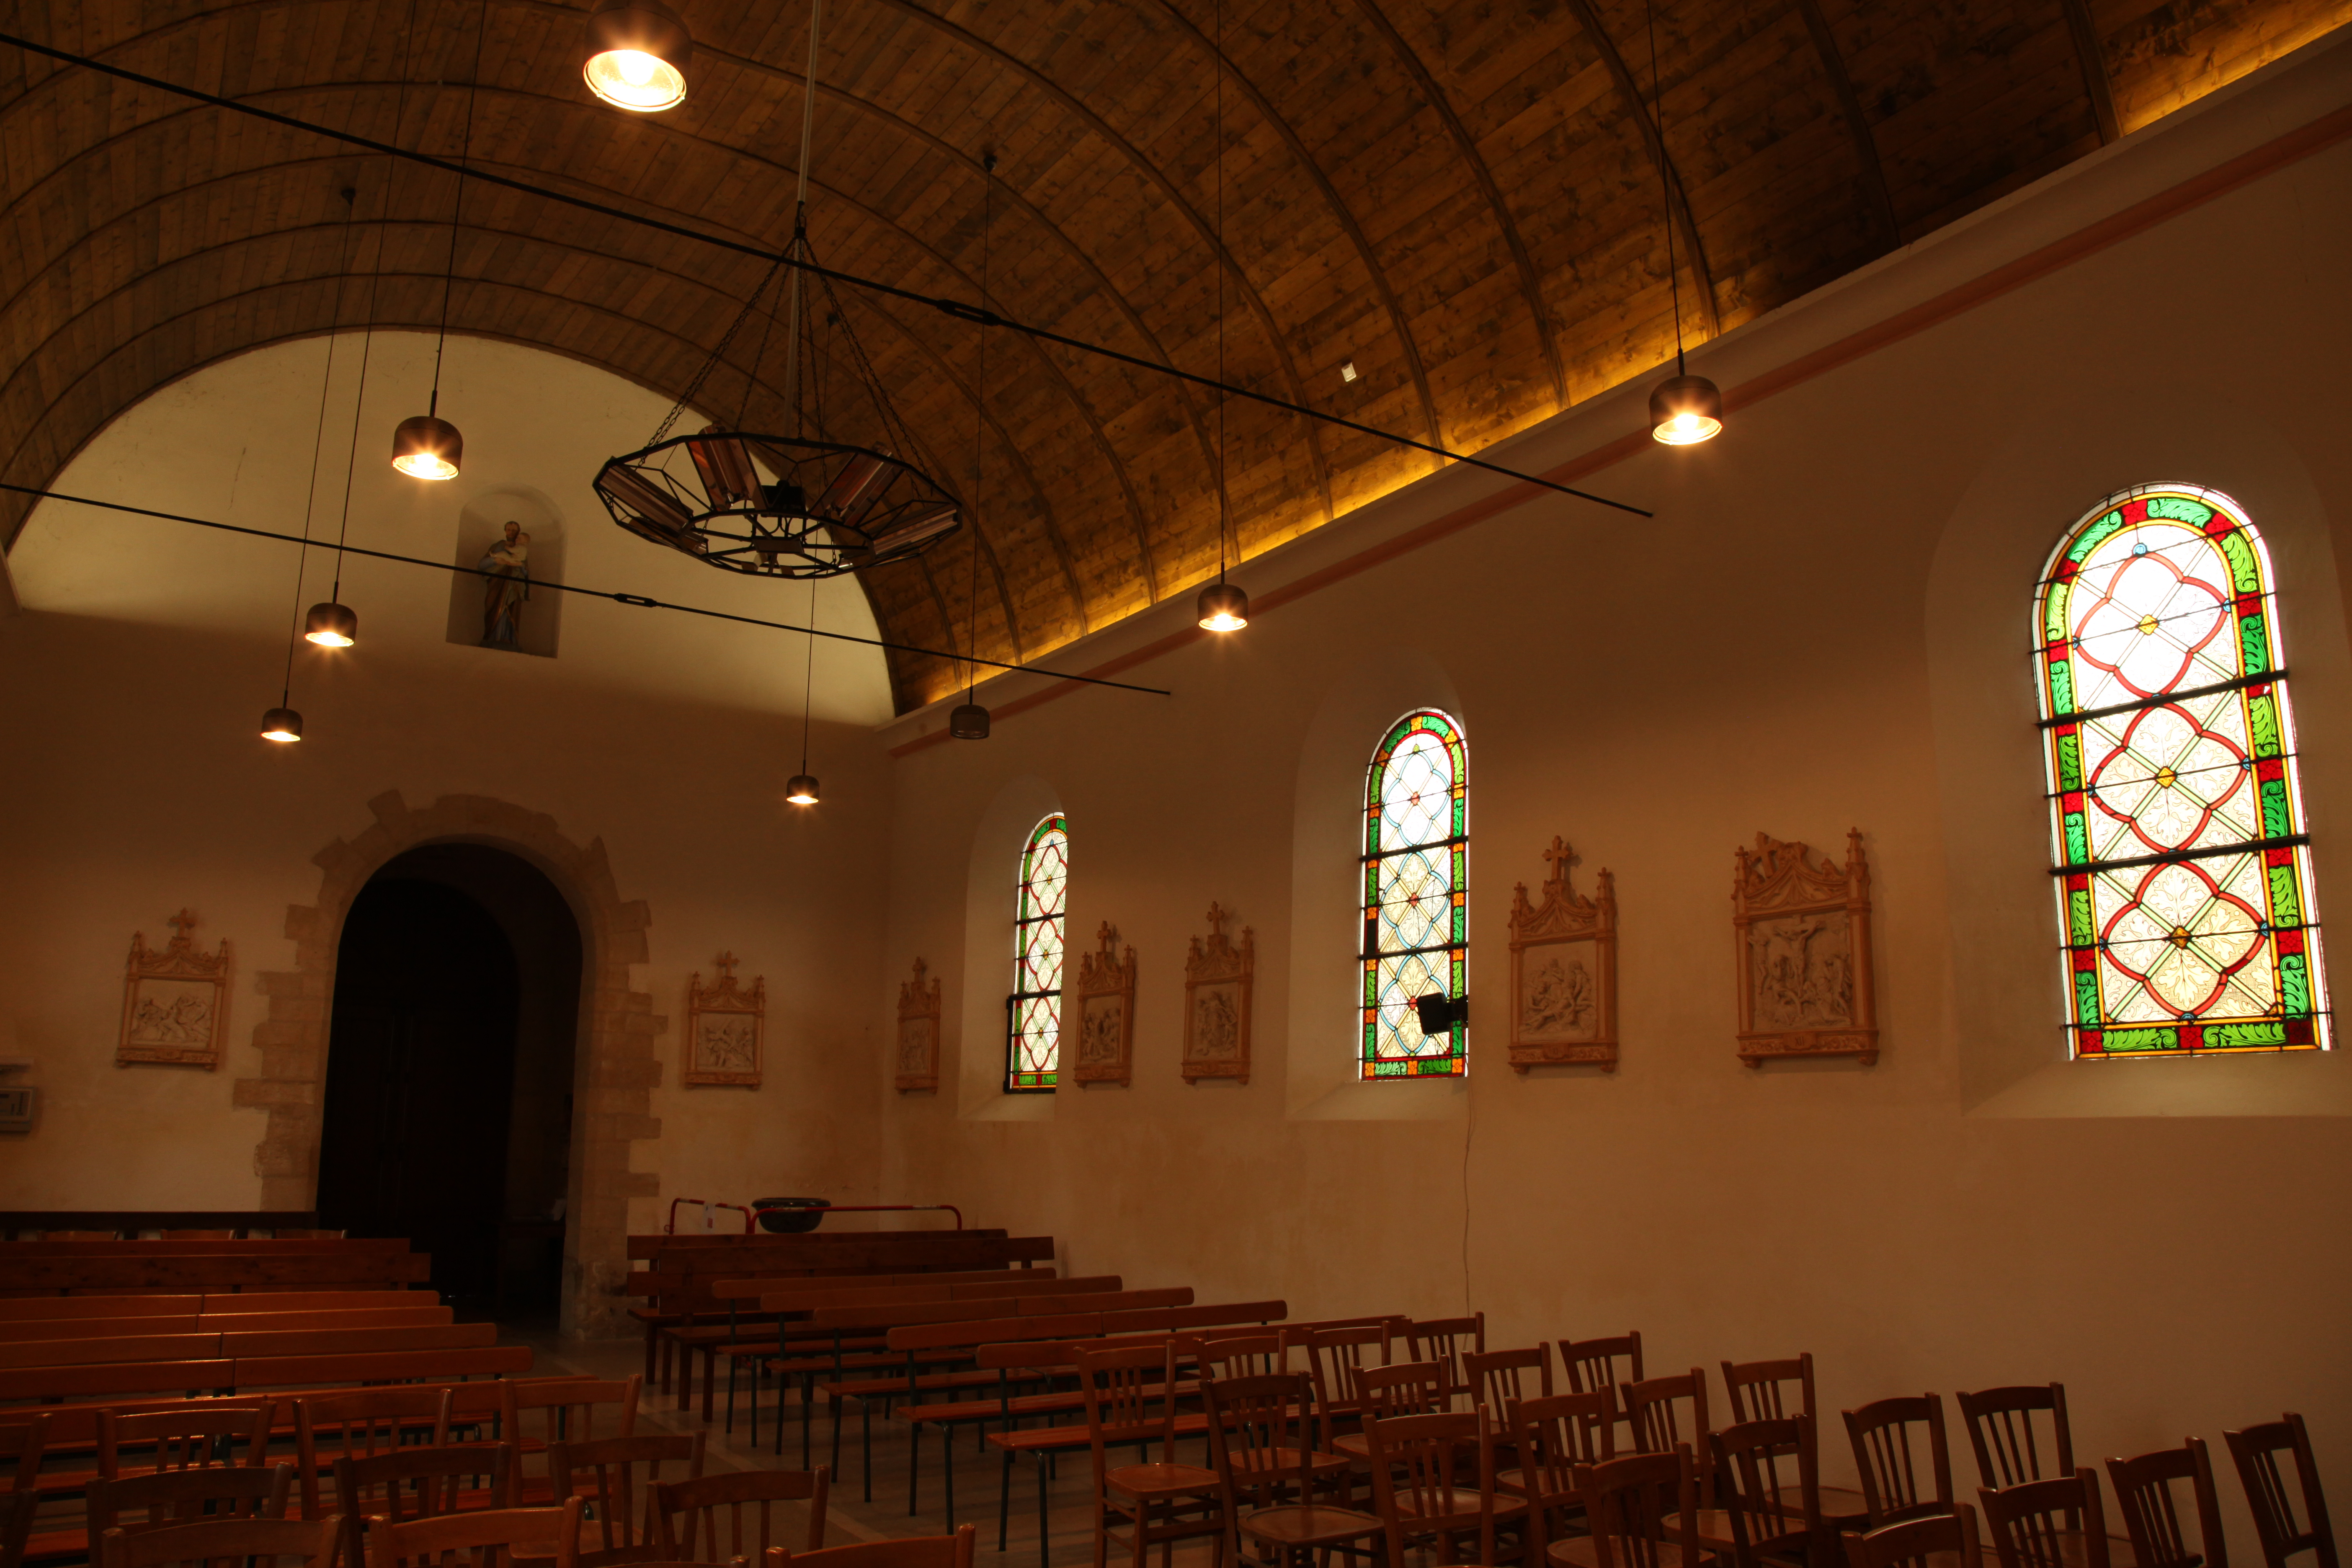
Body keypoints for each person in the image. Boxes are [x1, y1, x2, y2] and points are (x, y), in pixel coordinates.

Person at [479, 521, 531, 648]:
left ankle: (509, 639)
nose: (512, 533)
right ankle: (492, 637)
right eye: (509, 530)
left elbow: (526, 572)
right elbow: (481, 565)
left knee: (511, 610)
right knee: (494, 607)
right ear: (505, 531)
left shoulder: (522, 549)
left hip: (514, 585)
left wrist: (521, 566)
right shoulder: (499, 545)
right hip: (497, 584)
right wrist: (495, 561)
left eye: (515, 531)